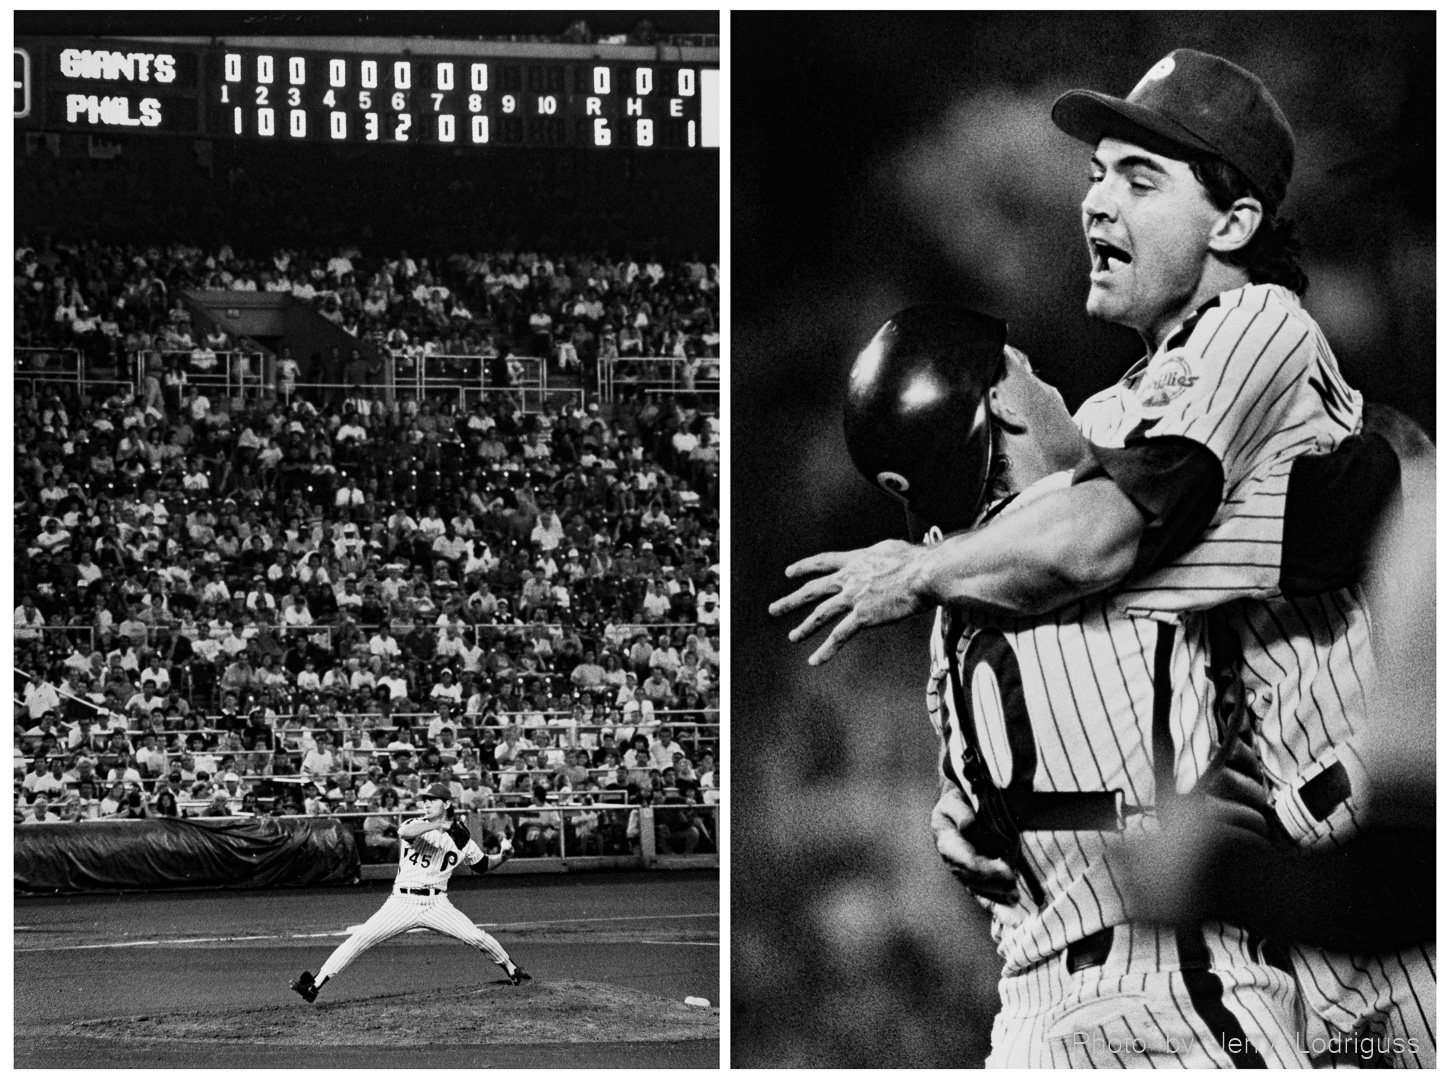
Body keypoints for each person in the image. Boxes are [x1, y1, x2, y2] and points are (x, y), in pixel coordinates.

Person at [773, 50, 1430, 1067]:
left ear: (1233, 224)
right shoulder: (1092, 450)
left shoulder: (1246, 323)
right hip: (1272, 917)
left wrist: (917, 566)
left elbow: (1100, 540)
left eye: (1137, 178)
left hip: (1364, 874)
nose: (1095, 204)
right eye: (1094, 174)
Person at [291, 783, 530, 1002]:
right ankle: (314, 985)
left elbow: (481, 866)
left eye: (432, 800)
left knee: (476, 937)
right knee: (361, 938)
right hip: (402, 902)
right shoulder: (415, 824)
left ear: (446, 804)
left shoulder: (462, 839)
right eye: (424, 799)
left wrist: (503, 857)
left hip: (437, 904)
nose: (426, 803)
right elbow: (404, 834)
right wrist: (439, 824)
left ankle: (513, 970)